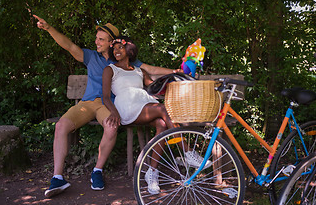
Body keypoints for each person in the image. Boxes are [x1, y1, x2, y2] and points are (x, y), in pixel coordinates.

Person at [33, 15, 178, 198]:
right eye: (96, 38)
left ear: (111, 42)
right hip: (87, 104)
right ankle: (57, 177)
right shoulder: (91, 56)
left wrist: (174, 72)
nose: (96, 42)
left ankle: (97, 171)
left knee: (111, 127)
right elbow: (69, 46)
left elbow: (151, 70)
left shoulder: (121, 59)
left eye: (101, 39)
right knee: (61, 126)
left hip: (107, 105)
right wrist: (48, 28)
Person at [102, 36, 211, 194]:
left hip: (143, 103)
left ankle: (151, 173)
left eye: (120, 47)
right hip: (126, 105)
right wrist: (114, 112)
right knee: (162, 109)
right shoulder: (110, 69)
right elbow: (105, 96)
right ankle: (187, 153)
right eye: (115, 48)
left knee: (161, 124)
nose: (116, 51)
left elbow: (154, 87)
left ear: (129, 49)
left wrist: (178, 75)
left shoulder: (140, 71)